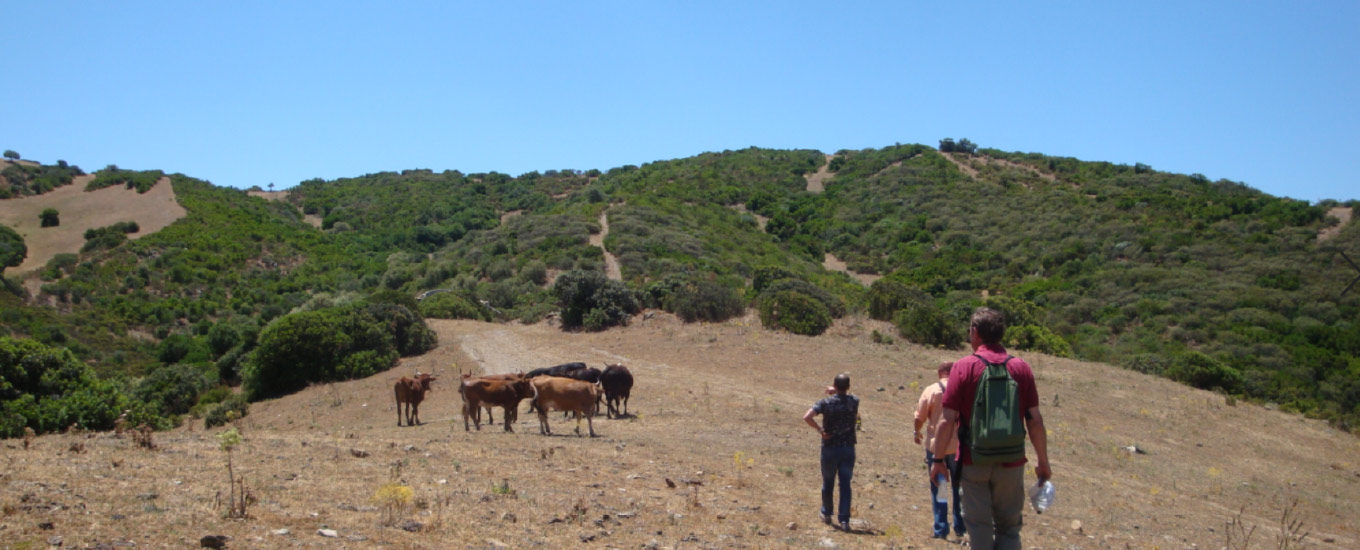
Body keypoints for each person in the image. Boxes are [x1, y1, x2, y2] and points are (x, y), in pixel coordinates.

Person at [930, 308, 1051, 550]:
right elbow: (1034, 420)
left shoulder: (964, 367)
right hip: (1012, 461)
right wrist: (1043, 461)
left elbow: (947, 420)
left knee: (979, 526)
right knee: (1009, 527)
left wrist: (938, 458)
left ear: (975, 332)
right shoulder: (1021, 368)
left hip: (974, 460)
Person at [803, 373, 860, 532]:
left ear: (834, 385)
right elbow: (846, 397)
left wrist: (820, 429)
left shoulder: (825, 403)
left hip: (829, 448)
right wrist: (837, 391)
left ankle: (827, 513)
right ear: (848, 387)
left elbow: (807, 417)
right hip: (848, 448)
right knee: (845, 484)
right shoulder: (854, 402)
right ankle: (844, 520)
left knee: (828, 482)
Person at [915, 361, 964, 539]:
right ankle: (961, 527)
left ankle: (941, 528)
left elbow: (920, 415)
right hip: (959, 446)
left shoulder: (931, 390)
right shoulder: (963, 389)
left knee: (940, 486)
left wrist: (916, 431)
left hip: (937, 448)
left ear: (939, 373)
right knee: (960, 488)